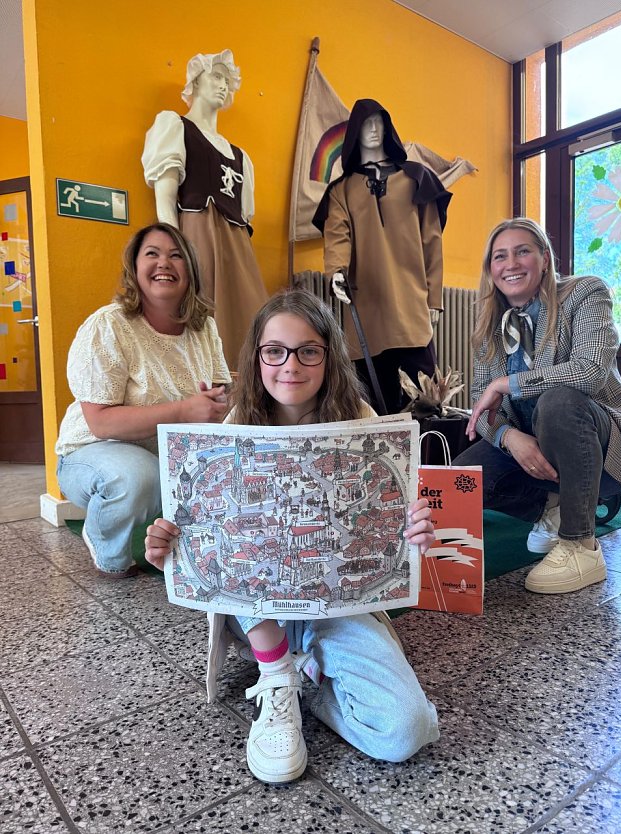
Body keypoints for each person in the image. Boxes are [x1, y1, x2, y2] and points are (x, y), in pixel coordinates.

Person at [145, 289, 439, 784]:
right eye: (274, 350)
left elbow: (391, 514)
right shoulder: (234, 426)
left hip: (340, 604)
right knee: (245, 536)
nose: (290, 365)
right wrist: (172, 546)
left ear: (328, 357)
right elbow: (205, 530)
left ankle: (311, 684)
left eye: (308, 350)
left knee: (404, 732)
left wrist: (411, 530)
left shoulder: (362, 423)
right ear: (257, 357)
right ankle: (278, 675)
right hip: (261, 611)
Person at [455, 217, 621, 594]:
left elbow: (590, 371)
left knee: (558, 402)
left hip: (600, 444)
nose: (511, 264)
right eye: (500, 256)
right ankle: (554, 501)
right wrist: (508, 437)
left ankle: (581, 544)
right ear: (491, 269)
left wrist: (508, 382)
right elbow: (481, 405)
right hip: (534, 445)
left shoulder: (585, 293)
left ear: (544, 258)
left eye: (522, 251)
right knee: (461, 479)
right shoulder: (490, 325)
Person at [55, 223, 231, 578]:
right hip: (91, 451)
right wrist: (184, 410)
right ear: (134, 269)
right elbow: (100, 422)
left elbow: (219, 390)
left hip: (168, 452)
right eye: (152, 253)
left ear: (190, 271)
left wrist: (219, 402)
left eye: (176, 255)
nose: (164, 262)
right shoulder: (109, 325)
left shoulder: (204, 328)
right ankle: (105, 545)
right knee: (140, 478)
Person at [312, 98, 452, 413]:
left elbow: (432, 240)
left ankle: (427, 459)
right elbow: (338, 234)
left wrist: (434, 298)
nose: (374, 130)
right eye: (366, 124)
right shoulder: (341, 190)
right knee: (373, 404)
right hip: (366, 308)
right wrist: (336, 272)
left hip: (411, 306)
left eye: (379, 123)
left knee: (428, 402)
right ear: (355, 134)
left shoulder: (417, 178)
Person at [142, 49, 268, 368]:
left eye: (228, 80)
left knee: (250, 320)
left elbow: (245, 213)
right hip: (197, 234)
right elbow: (165, 200)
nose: (223, 85)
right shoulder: (175, 126)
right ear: (195, 81)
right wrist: (173, 253)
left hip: (236, 246)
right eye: (216, 76)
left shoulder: (241, 156)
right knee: (200, 320)